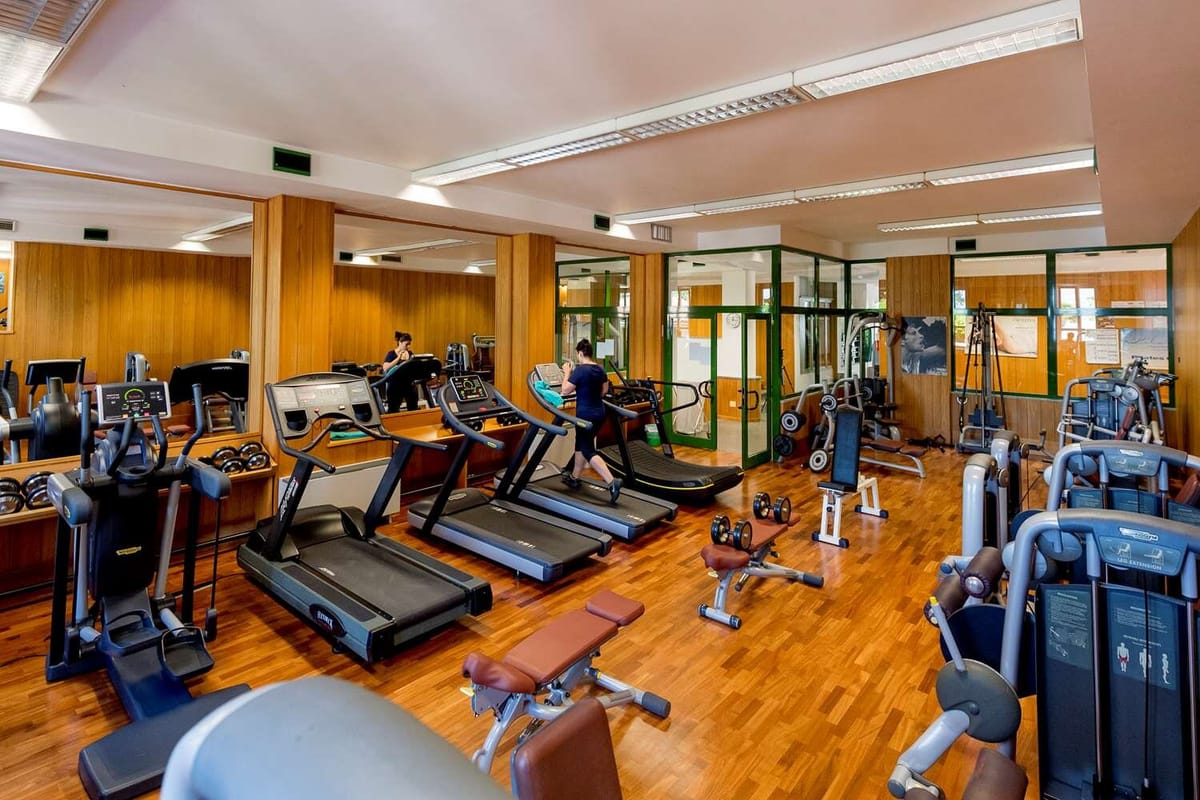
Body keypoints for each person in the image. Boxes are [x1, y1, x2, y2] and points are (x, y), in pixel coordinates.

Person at [561, 339, 621, 503]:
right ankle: (574, 477)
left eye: (577, 354)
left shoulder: (580, 370)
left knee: (587, 449)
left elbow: (565, 390)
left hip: (585, 416)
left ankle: (612, 482)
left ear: (580, 353)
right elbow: (604, 391)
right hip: (599, 414)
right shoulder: (600, 369)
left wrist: (567, 373)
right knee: (581, 444)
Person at [381, 331, 416, 412]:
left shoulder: (410, 353)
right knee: (393, 409)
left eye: (409, 344)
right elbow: (385, 368)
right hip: (395, 385)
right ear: (400, 342)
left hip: (408, 384)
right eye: (406, 344)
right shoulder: (391, 353)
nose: (408, 346)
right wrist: (398, 358)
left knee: (413, 407)